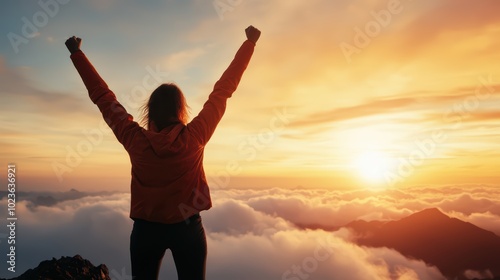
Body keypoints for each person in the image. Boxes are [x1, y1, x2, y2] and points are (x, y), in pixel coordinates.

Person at [65, 25, 261, 280]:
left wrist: (77, 54)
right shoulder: (195, 136)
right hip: (188, 229)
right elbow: (223, 91)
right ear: (180, 110)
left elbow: (103, 97)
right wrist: (249, 44)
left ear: (151, 111)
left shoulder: (134, 138)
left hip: (146, 231)